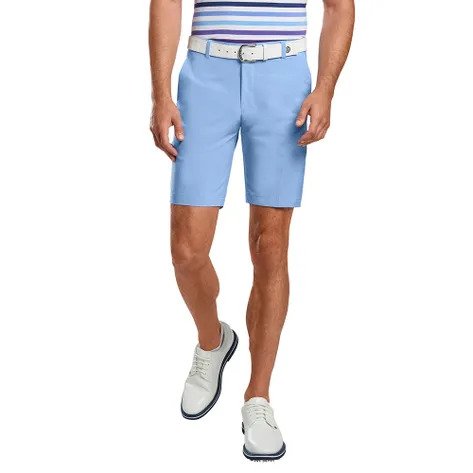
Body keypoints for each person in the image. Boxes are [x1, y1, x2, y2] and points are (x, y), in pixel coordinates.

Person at [149, 0, 354, 461]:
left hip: (283, 77)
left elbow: (340, 7)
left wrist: (325, 88)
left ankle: (258, 396)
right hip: (205, 74)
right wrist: (161, 93)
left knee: (270, 246)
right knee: (186, 250)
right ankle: (213, 341)